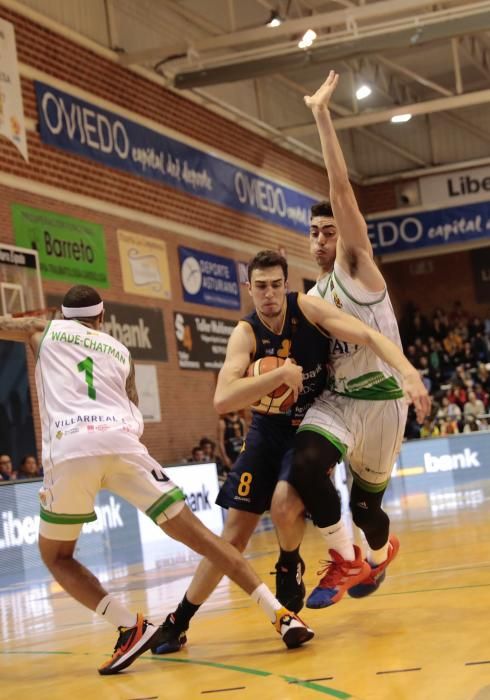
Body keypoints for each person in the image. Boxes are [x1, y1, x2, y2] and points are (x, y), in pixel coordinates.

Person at [0, 285, 314, 676]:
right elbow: (134, 407)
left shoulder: (43, 333)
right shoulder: (120, 351)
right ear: (102, 318)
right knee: (207, 541)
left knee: (56, 556)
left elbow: (9, 326)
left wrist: (36, 321)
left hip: (70, 449)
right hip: (123, 446)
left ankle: (130, 627)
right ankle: (283, 616)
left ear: (64, 317)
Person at [154, 249, 429, 653]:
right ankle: (179, 620)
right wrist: (278, 374)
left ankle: (289, 563)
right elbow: (222, 400)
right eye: (260, 286)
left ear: (287, 285)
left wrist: (407, 372)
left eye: (276, 285)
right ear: (249, 289)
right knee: (233, 534)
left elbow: (369, 335)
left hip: (312, 427)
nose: (269, 294)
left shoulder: (308, 310)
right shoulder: (245, 334)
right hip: (267, 432)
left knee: (284, 504)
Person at [271, 70, 432, 610]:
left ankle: (381, 551)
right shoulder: (314, 294)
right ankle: (346, 559)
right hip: (341, 401)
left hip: (384, 403)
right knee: (308, 461)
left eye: (329, 230)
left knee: (368, 510)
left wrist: (320, 116)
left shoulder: (358, 268)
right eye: (313, 232)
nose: (321, 239)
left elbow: (341, 191)